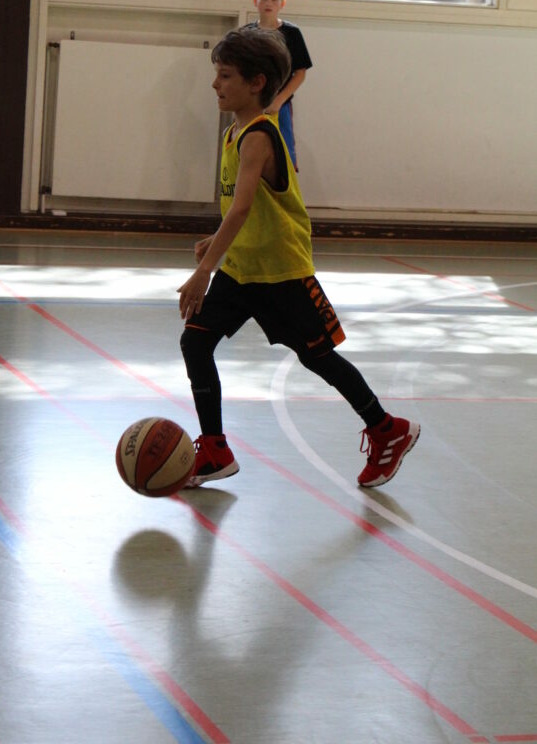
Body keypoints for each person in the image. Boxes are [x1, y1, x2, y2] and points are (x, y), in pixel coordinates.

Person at [177, 26, 419, 489]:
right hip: (242, 270)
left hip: (282, 273)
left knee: (318, 358)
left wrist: (203, 271)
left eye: (225, 75)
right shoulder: (234, 133)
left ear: (257, 82)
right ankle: (215, 449)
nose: (214, 84)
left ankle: (387, 428)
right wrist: (217, 242)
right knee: (196, 342)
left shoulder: (259, 136)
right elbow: (244, 209)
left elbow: (243, 207)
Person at [243, 0, 312, 170]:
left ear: (282, 3)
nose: (269, 3)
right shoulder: (247, 35)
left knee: (284, 155)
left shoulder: (292, 34)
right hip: (253, 104)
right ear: (255, 1)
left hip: (279, 106)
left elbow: (300, 73)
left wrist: (279, 100)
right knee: (249, 152)